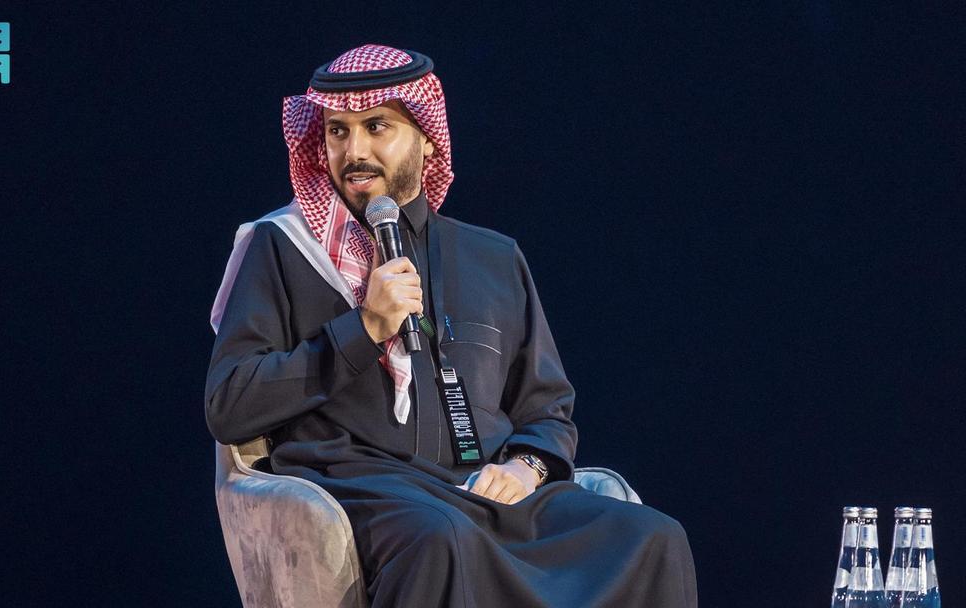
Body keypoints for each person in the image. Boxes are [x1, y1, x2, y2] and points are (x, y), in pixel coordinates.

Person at [205, 44, 697, 608]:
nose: (353, 151)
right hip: (362, 486)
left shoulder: (493, 258)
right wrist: (364, 329)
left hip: (483, 490)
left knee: (653, 537)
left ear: (427, 139)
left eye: (376, 127)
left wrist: (526, 466)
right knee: (441, 539)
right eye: (337, 132)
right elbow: (230, 403)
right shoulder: (284, 248)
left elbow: (546, 408)